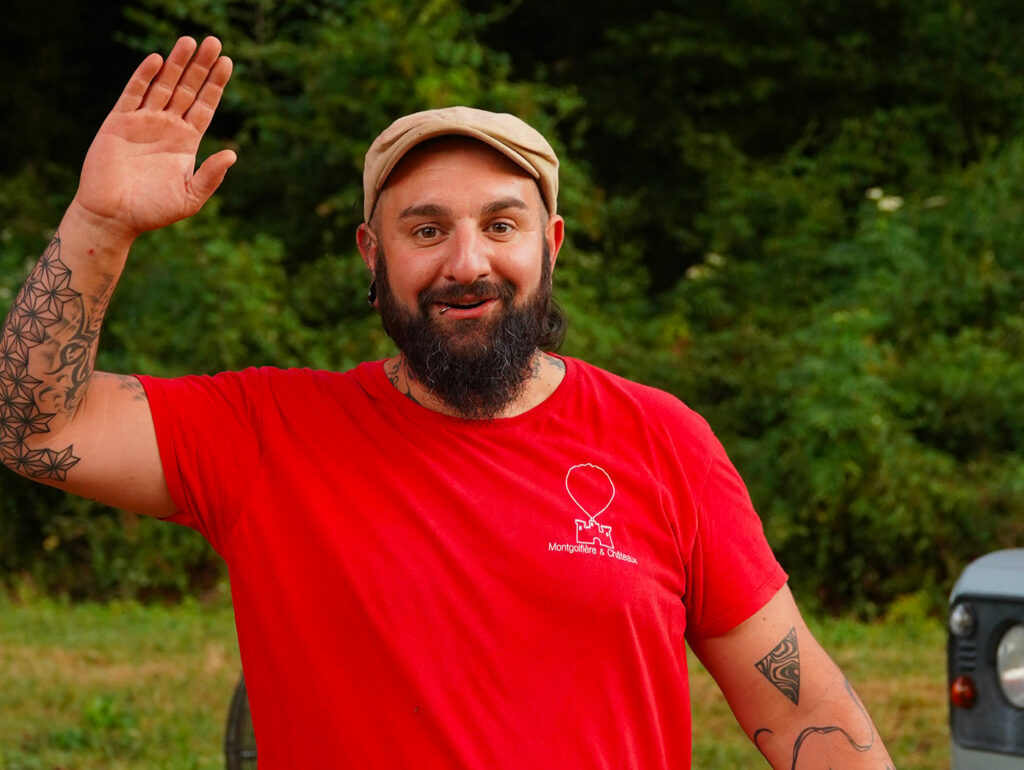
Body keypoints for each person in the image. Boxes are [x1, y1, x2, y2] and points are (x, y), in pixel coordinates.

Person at [0, 36, 895, 769]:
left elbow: (805, 709)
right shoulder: (267, 432)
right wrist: (101, 224)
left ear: (550, 245)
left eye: (500, 225)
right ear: (371, 253)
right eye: (426, 229)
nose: (467, 263)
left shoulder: (662, 440)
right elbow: (32, 427)